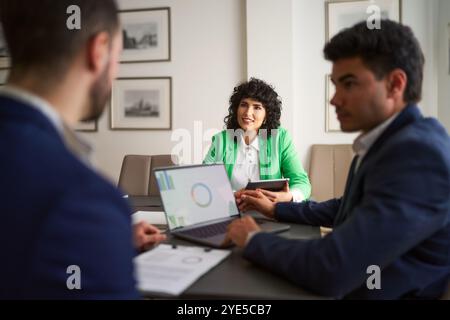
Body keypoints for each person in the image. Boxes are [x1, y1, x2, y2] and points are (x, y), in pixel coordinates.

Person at [225, 20, 450, 299]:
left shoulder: (417, 154)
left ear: (394, 84)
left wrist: (254, 239)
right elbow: (348, 208)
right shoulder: (389, 142)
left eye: (348, 84)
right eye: (335, 85)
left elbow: (332, 267)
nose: (334, 100)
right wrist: (277, 210)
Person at [0, 0, 165, 299]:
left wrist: (104, 242)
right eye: (118, 56)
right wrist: (97, 235)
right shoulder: (84, 200)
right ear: (98, 50)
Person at [204, 78, 311, 203]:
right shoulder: (221, 140)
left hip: (269, 214)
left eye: (257, 107)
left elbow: (301, 181)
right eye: (244, 105)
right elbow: (206, 181)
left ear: (267, 115)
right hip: (232, 211)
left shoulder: (280, 139)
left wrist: (288, 196)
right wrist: (233, 195)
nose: (248, 113)